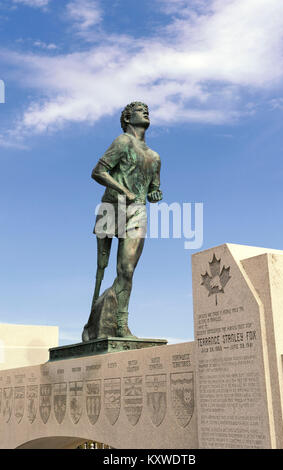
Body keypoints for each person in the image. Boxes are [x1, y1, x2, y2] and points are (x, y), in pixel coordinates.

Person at [85, 101, 162, 339]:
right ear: (128, 119)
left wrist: (155, 194)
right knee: (102, 267)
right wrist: (122, 190)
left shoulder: (155, 157)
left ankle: (121, 324)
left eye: (147, 110)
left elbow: (154, 189)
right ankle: (92, 324)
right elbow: (98, 171)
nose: (146, 112)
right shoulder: (122, 142)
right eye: (140, 111)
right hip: (112, 207)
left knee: (127, 269)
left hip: (137, 211)